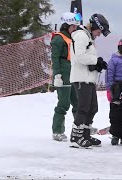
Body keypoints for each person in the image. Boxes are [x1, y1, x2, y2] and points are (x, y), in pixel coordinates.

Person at [69, 13, 111, 148]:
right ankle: (76, 137)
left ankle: (85, 135)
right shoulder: (81, 36)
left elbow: (87, 59)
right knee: (83, 108)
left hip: (88, 78)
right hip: (81, 79)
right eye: (99, 32)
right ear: (94, 26)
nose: (99, 35)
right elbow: (79, 57)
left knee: (93, 108)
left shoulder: (88, 37)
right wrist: (95, 61)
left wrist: (97, 65)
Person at [51, 12, 82, 141]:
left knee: (78, 103)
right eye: (73, 26)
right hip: (63, 75)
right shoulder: (58, 39)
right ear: (67, 25)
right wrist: (57, 75)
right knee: (64, 103)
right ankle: (57, 130)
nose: (75, 29)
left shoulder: (73, 38)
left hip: (73, 74)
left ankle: (80, 127)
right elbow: (55, 58)